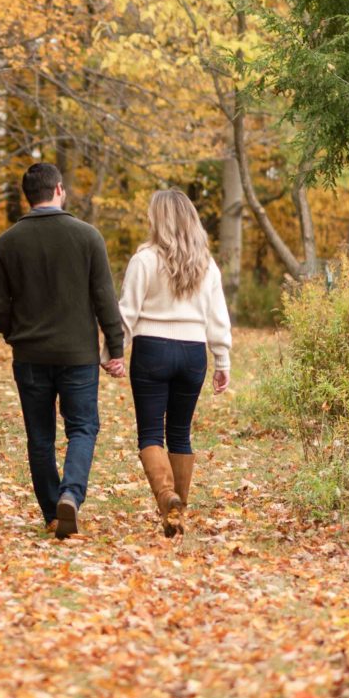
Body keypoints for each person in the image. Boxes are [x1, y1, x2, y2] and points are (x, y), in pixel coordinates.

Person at [0, 163, 126, 540]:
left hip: (30, 356)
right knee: (83, 427)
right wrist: (116, 347)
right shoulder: (87, 237)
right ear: (60, 190)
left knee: (40, 436)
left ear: (27, 196)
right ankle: (71, 495)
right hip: (77, 355)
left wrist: (14, 334)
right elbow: (104, 299)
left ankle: (53, 513)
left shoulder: (8, 241)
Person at [115, 190, 232, 537]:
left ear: (158, 219)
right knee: (180, 433)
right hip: (193, 353)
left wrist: (115, 351)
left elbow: (127, 312)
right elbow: (218, 316)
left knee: (151, 433)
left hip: (152, 350)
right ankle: (176, 513)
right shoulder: (206, 264)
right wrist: (222, 359)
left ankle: (167, 497)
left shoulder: (144, 260)